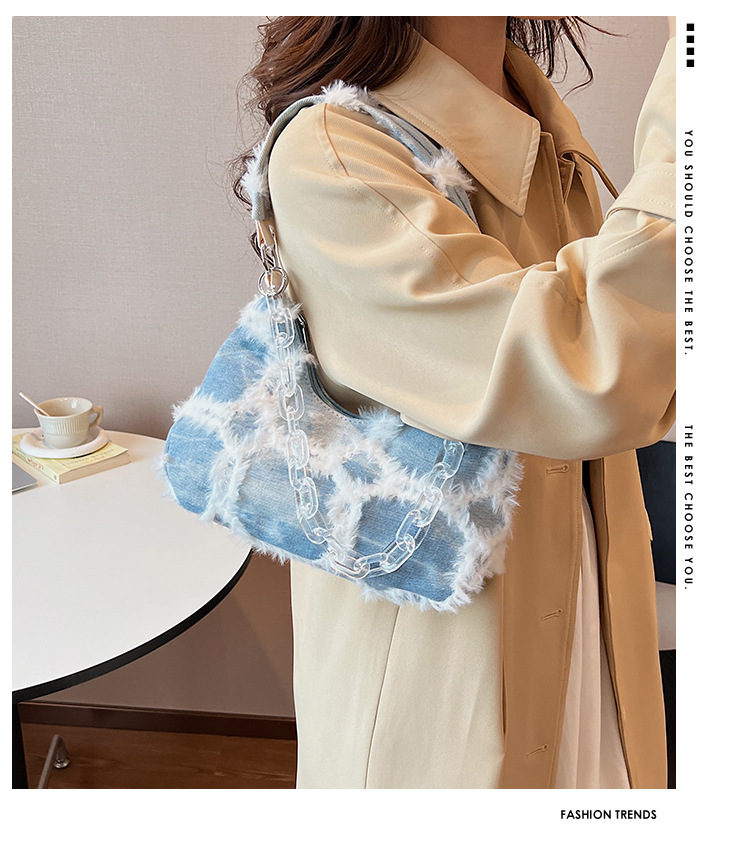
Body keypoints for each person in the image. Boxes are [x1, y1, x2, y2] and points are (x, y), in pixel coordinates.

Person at [234, 16, 676, 788]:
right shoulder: (335, 150)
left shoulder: (533, 123)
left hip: (584, 623)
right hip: (442, 709)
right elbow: (580, 369)